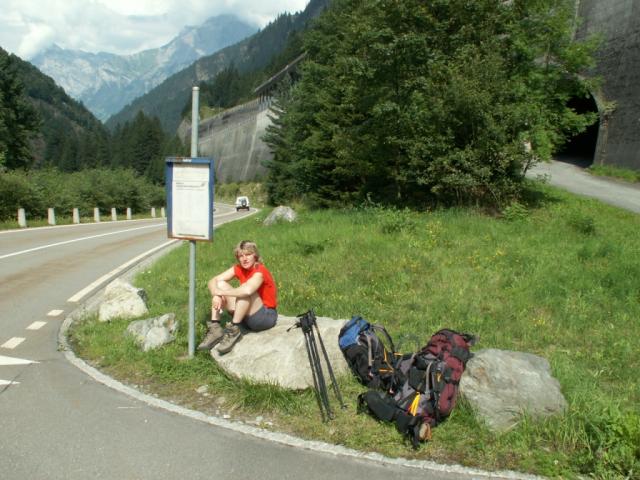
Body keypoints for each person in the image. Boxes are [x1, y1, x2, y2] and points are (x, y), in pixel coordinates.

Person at [198, 240, 278, 354]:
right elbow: (213, 280)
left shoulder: (260, 271)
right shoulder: (239, 268)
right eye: (241, 256)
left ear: (255, 255)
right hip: (245, 317)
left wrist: (221, 293)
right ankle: (215, 328)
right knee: (220, 284)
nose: (244, 259)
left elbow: (248, 290)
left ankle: (234, 330)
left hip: (264, 317)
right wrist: (216, 294)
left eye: (248, 254)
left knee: (244, 291)